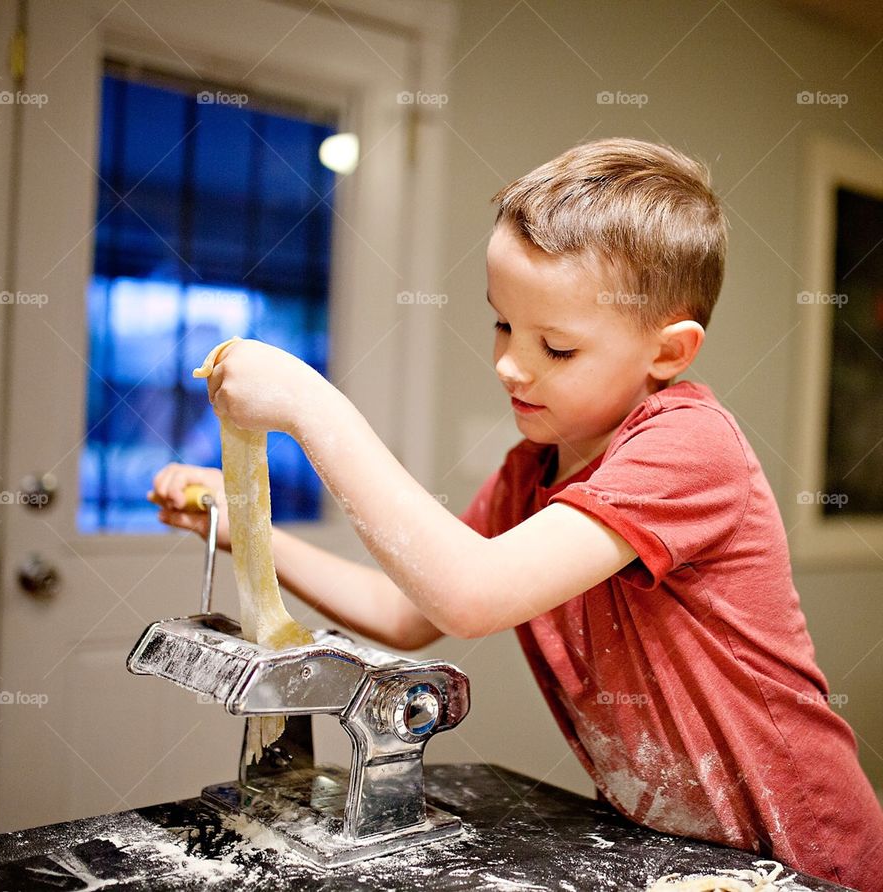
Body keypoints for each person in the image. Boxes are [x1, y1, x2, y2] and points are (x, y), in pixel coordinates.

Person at [149, 138, 883, 889]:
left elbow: (472, 594)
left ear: (669, 351)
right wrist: (250, 533)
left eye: (556, 347)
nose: (508, 364)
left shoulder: (690, 447)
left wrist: (312, 408)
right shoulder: (527, 473)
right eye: (503, 325)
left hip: (807, 854)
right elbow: (404, 612)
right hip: (682, 857)